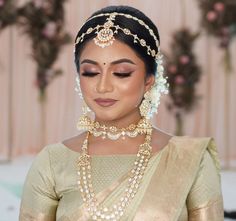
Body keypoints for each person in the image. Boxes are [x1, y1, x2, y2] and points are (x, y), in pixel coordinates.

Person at [19, 5, 224, 221]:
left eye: (121, 73)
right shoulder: (52, 162)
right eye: (90, 72)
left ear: (148, 80)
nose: (103, 86)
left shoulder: (190, 160)